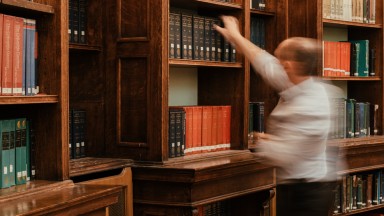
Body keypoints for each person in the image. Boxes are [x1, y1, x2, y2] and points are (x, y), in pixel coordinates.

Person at [214, 16, 338, 216]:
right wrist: (235, 36)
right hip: (296, 185)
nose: (275, 62)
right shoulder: (297, 81)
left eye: (279, 58)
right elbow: (263, 62)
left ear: (288, 65)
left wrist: (262, 139)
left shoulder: (312, 106)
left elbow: (284, 155)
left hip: (308, 193)